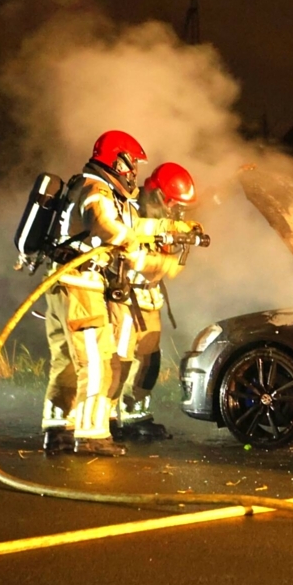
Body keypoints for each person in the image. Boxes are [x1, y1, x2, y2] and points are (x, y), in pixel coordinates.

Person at [41, 130, 183, 456]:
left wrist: (170, 229)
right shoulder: (95, 189)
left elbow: (128, 225)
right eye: (131, 163)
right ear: (115, 159)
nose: (133, 172)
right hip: (81, 284)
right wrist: (152, 260)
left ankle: (58, 429)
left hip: (64, 284)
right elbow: (108, 227)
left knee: (65, 362)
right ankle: (91, 434)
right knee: (98, 362)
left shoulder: (87, 185)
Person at [111, 162, 199, 440]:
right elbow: (128, 252)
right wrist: (165, 264)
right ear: (159, 194)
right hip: (124, 295)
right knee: (119, 359)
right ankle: (107, 418)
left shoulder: (161, 214)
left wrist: (183, 233)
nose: (175, 209)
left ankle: (136, 416)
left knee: (149, 360)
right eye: (173, 203)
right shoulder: (131, 209)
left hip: (148, 296)